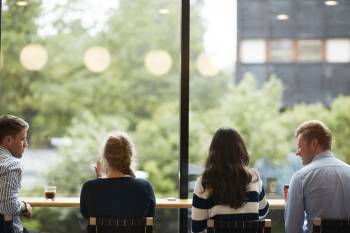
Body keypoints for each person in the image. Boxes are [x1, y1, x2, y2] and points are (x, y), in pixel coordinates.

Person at [191, 127, 269, 233]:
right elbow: (263, 212)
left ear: (213, 152)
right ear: (241, 150)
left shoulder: (204, 183)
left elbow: (197, 228)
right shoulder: (254, 179)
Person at [80, 131, 156, 231]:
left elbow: (87, 215)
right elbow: (150, 216)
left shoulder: (89, 188)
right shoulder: (145, 187)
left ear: (105, 157)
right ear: (130, 157)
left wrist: (99, 181)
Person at [285, 120, 350, 233]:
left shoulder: (300, 177)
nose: (297, 152)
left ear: (314, 143)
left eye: (299, 146)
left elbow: (292, 229)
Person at [0, 115, 35, 233]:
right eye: (22, 139)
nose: (26, 144)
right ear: (9, 140)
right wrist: (24, 206)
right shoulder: (12, 164)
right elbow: (8, 206)